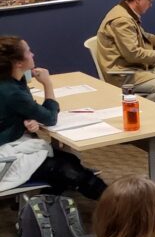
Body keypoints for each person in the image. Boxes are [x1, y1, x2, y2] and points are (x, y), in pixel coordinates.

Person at [0, 36, 106, 197]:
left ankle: (44, 202)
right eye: (28, 52)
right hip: (6, 155)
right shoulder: (12, 91)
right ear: (18, 63)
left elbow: (23, 111)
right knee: (67, 169)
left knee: (71, 160)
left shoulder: (10, 82)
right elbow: (50, 118)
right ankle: (117, 206)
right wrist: (47, 84)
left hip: (11, 141)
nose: (33, 54)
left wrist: (27, 119)